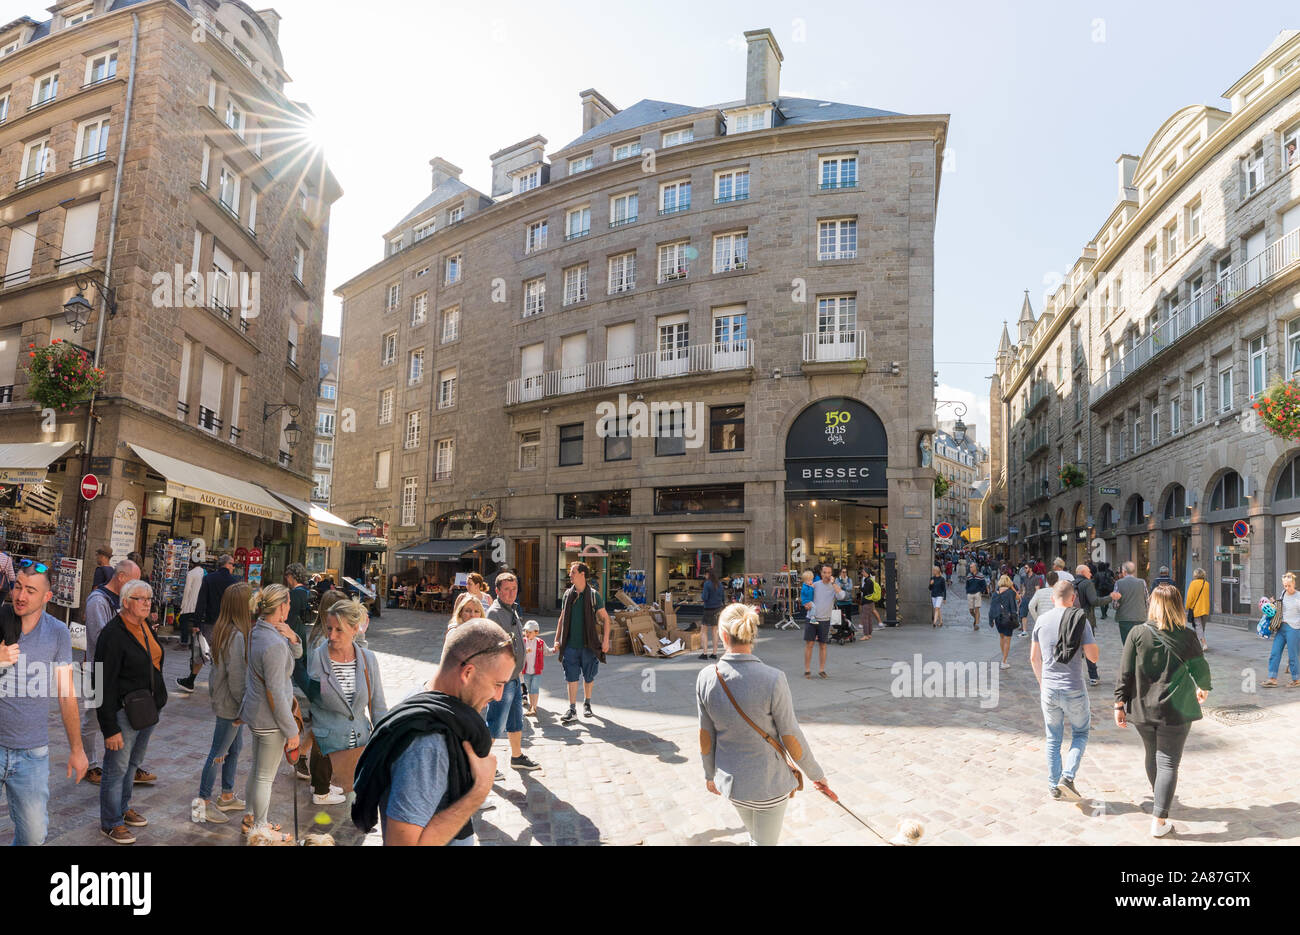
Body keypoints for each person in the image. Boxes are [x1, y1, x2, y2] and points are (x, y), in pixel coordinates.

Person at [352, 619, 508, 845]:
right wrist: (479, 790)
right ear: (468, 673)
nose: (499, 696)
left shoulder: (426, 698)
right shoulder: (429, 742)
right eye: (497, 683)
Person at [696, 603, 834, 846]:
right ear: (752, 635)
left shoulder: (707, 677)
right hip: (768, 784)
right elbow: (791, 736)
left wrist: (709, 774)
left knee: (756, 837)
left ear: (723, 635)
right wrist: (816, 774)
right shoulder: (773, 678)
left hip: (732, 784)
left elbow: (705, 735)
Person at [0, 560, 88, 844]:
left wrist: (77, 749)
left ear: (47, 597)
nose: (21, 596)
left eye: (31, 591)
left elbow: (66, 693)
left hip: (32, 754)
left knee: (34, 836)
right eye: (18, 587)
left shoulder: (57, 632)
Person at [1113, 583, 1210, 837]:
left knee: (1152, 754)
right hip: (1175, 710)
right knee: (1167, 762)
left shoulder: (1137, 633)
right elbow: (1200, 668)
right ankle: (1159, 819)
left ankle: (1161, 800)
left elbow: (1124, 673)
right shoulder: (1187, 635)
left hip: (1143, 709)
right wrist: (1203, 687)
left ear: (1152, 605)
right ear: (1178, 606)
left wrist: (1119, 704)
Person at [94, 578, 167, 844]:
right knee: (116, 769)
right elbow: (100, 681)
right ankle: (110, 821)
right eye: (141, 599)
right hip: (123, 712)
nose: (147, 603)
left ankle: (123, 809)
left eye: (149, 599)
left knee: (132, 765)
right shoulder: (113, 634)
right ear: (125, 602)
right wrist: (109, 727)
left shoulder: (145, 626)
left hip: (147, 710)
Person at [238, 584, 303, 840]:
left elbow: (295, 655)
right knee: (265, 776)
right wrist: (291, 731)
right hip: (271, 718)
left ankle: (250, 817)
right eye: (288, 604)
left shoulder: (259, 632)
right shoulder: (273, 643)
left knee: (257, 770)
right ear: (282, 606)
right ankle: (261, 827)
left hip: (257, 714)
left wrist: (292, 636)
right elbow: (276, 692)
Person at [81, 560, 153, 787]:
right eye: (134, 581)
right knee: (94, 719)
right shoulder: (97, 601)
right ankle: (90, 765)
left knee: (126, 720)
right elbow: (101, 638)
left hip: (124, 674)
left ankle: (127, 764)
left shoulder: (121, 600)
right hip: (98, 670)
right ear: (121, 577)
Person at [307, 598, 387, 796]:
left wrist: (385, 740)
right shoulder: (316, 657)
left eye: (338, 630)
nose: (331, 635)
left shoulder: (368, 659)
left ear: (354, 629)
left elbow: (377, 706)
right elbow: (311, 703)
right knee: (324, 818)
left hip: (359, 747)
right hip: (327, 752)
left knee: (354, 814)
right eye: (329, 628)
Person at [1029, 579, 1098, 801]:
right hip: (1074, 687)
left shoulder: (1041, 620)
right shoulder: (1080, 620)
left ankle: (1053, 785)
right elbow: (1093, 657)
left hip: (1049, 688)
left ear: (1052, 598)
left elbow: (1033, 658)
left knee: (1053, 738)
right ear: (1073, 598)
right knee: (1080, 733)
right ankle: (1067, 777)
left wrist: (1042, 682)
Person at [192, 581, 253, 823]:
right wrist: (245, 707)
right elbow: (237, 677)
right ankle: (203, 802)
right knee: (218, 752)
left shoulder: (224, 628)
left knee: (233, 749)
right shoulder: (236, 635)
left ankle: (226, 795)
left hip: (227, 700)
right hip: (231, 704)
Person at [482, 572, 540, 770]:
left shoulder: (512, 609)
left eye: (514, 589)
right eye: (506, 589)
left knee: (516, 720)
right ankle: (482, 763)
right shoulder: (495, 613)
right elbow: (492, 649)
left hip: (514, 677)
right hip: (502, 679)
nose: (510, 593)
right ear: (497, 591)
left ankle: (517, 757)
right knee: (495, 723)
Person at [552, 561, 611, 723]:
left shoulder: (593, 595)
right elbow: (562, 618)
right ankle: (572, 708)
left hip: (589, 644)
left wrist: (605, 640)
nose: (570, 575)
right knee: (571, 677)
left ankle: (587, 703)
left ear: (582, 574)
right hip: (570, 644)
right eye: (571, 573)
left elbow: (606, 619)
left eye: (573, 572)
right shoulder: (567, 595)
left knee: (589, 676)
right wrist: (557, 640)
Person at [801, 565, 845, 679]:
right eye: (825, 572)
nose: (827, 574)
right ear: (821, 573)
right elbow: (805, 594)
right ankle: (807, 670)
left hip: (825, 619)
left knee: (823, 645)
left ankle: (821, 670)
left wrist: (834, 583)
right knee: (809, 644)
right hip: (812, 618)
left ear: (831, 574)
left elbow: (841, 596)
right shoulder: (815, 585)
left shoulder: (834, 586)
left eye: (829, 572)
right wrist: (805, 604)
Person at [1262, 571, 1300, 688]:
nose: (1287, 588)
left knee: (1293, 654)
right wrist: (1273, 603)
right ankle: (1272, 678)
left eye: (1289, 585)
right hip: (1281, 627)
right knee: (1275, 652)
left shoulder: (1298, 596)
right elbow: (1280, 609)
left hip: (1293, 628)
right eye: (1285, 585)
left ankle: (1296, 679)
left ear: (1294, 584)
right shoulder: (1283, 593)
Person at [1074, 564, 1103, 686]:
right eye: (1089, 572)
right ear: (1083, 572)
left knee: (1075, 648)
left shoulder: (1072, 583)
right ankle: (1093, 676)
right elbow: (1094, 601)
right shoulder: (1087, 583)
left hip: (1074, 618)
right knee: (1089, 647)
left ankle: (1074, 675)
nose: (1091, 574)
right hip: (1086, 619)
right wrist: (1110, 598)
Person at [1110, 561, 1150, 649]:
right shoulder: (1142, 582)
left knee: (1127, 644)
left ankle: (1129, 660)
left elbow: (1115, 604)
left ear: (1124, 571)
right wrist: (1145, 612)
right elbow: (1147, 601)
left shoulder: (1119, 583)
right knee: (1139, 643)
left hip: (1124, 618)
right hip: (1140, 617)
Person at [988, 575, 1020, 669]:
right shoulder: (1010, 592)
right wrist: (1012, 587)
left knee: (1002, 637)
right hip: (1008, 618)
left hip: (998, 618)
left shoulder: (995, 593)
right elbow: (1018, 598)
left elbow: (992, 607)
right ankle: (1004, 661)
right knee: (1007, 640)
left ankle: (1004, 657)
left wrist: (991, 619)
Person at [522, 620, 552, 716]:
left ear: (536, 632)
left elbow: (546, 652)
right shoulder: (523, 642)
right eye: (526, 631)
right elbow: (517, 653)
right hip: (526, 671)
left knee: (535, 688)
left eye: (529, 632)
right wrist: (524, 652)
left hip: (536, 671)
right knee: (530, 689)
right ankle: (532, 706)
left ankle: (534, 707)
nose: (527, 634)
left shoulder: (540, 643)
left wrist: (555, 649)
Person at [176, 557, 206, 656]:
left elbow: (187, 590)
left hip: (191, 602)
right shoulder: (205, 573)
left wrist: (183, 604)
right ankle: (197, 643)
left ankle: (184, 642)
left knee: (183, 620)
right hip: (201, 603)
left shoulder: (191, 573)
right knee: (198, 623)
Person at [699, 570, 724, 659]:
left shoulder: (707, 584)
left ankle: (705, 653)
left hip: (708, 609)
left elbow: (704, 597)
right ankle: (714, 653)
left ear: (708, 575)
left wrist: (702, 597)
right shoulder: (719, 584)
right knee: (715, 632)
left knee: (703, 631)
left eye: (705, 574)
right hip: (718, 609)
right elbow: (723, 597)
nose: (705, 576)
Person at [1184, 568, 1211, 650]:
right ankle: (1196, 643)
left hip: (1196, 609)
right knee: (1201, 627)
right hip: (1205, 608)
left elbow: (1190, 597)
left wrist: (1187, 607)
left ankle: (1204, 644)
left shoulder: (1193, 584)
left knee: (1198, 627)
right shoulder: (1206, 584)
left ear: (1195, 575)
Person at [858, 565, 880, 638]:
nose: (862, 573)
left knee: (865, 618)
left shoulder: (868, 581)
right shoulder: (871, 580)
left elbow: (865, 590)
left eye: (863, 572)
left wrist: (859, 588)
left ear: (867, 573)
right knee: (869, 617)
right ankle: (869, 634)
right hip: (871, 600)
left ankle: (866, 634)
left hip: (867, 601)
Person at [964, 562, 988, 631]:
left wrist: (981, 591)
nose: (970, 568)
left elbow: (984, 585)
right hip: (970, 593)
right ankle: (976, 618)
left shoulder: (980, 575)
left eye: (971, 567)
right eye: (970, 567)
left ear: (975, 567)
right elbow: (967, 584)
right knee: (971, 610)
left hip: (977, 593)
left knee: (977, 609)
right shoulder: (969, 575)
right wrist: (967, 591)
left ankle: (977, 624)